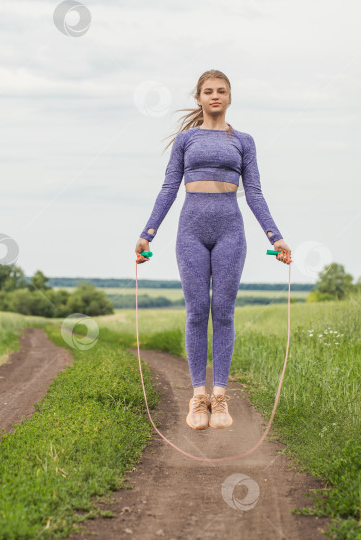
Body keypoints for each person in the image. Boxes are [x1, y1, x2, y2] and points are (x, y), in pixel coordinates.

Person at [134, 69, 291, 431]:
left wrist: (275, 236)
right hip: (190, 233)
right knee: (196, 311)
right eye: (208, 91)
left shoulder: (244, 141)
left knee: (222, 311)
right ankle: (197, 396)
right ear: (199, 98)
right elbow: (169, 187)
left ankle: (219, 397)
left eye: (221, 91)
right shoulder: (186, 141)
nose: (215, 96)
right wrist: (148, 233)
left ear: (230, 97)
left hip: (230, 233)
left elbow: (254, 193)